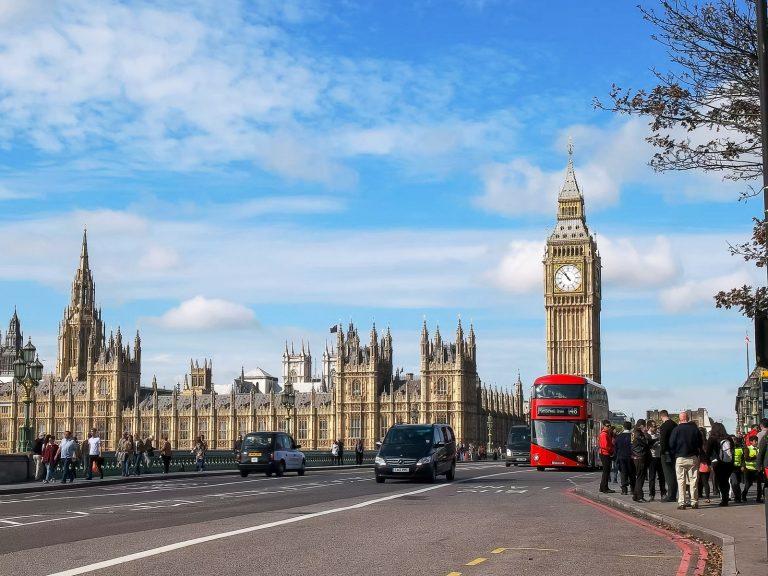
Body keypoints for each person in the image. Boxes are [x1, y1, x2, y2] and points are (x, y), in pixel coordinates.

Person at [668, 411, 703, 510]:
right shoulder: (694, 429)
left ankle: (682, 503)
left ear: (680, 419)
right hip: (692, 457)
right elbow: (700, 443)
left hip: (680, 458)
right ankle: (694, 502)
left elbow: (671, 444)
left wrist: (675, 452)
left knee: (681, 481)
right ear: (688, 418)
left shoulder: (676, 429)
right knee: (694, 480)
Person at [705, 422, 734, 506]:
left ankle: (724, 499)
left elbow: (708, 452)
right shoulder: (729, 438)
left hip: (718, 463)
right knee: (726, 480)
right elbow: (732, 450)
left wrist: (708, 463)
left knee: (721, 481)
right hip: (729, 463)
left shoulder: (712, 438)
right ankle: (726, 498)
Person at [631, 419, 655, 502]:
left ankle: (636, 495)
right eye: (644, 425)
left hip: (636, 456)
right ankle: (639, 496)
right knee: (640, 477)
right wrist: (654, 440)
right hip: (640, 456)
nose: (645, 427)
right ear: (641, 425)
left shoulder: (633, 432)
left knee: (639, 477)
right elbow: (645, 443)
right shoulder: (638, 433)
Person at [658, 410, 678, 502]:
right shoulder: (675, 425)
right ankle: (674, 493)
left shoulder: (664, 426)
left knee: (668, 475)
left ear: (661, 416)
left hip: (666, 453)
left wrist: (662, 451)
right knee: (674, 474)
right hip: (675, 452)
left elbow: (663, 441)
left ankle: (671, 496)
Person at [613, 421, 634, 496]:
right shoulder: (633, 436)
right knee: (632, 473)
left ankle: (624, 490)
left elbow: (615, 448)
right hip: (631, 457)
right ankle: (632, 489)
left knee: (623, 473)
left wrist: (615, 457)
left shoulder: (618, 436)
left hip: (621, 457)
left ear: (623, 427)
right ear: (630, 427)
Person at [647, 420, 665, 501]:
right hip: (652, 458)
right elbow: (648, 446)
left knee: (662, 477)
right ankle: (652, 494)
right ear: (649, 427)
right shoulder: (647, 435)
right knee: (652, 477)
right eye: (654, 426)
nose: (656, 428)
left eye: (656, 426)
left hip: (659, 457)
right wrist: (655, 442)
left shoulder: (659, 434)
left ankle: (663, 493)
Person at [742, 435, 762, 502]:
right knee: (748, 484)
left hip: (757, 469)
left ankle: (758, 498)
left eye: (757, 441)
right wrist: (755, 457)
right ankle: (744, 495)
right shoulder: (748, 448)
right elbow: (746, 459)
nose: (756, 442)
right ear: (751, 442)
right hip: (749, 469)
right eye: (755, 441)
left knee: (759, 484)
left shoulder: (758, 449)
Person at [598, 419, 615, 493]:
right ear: (603, 426)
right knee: (606, 472)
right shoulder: (604, 434)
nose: (609, 427)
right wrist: (612, 450)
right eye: (608, 426)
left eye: (610, 425)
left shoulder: (606, 433)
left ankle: (603, 487)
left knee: (606, 471)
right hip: (605, 453)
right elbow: (605, 446)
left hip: (605, 453)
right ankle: (604, 488)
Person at [697, 427, 711, 504]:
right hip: (707, 464)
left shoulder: (697, 443)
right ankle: (707, 497)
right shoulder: (707, 442)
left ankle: (699, 494)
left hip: (699, 463)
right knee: (705, 481)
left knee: (699, 481)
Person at [730, 435, 744, 503]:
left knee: (737, 483)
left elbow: (743, 458)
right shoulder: (728, 448)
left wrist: (743, 466)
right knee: (734, 483)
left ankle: (738, 497)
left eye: (734, 439)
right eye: (732, 440)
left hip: (739, 468)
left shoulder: (740, 448)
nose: (733, 441)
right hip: (732, 468)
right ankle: (737, 497)